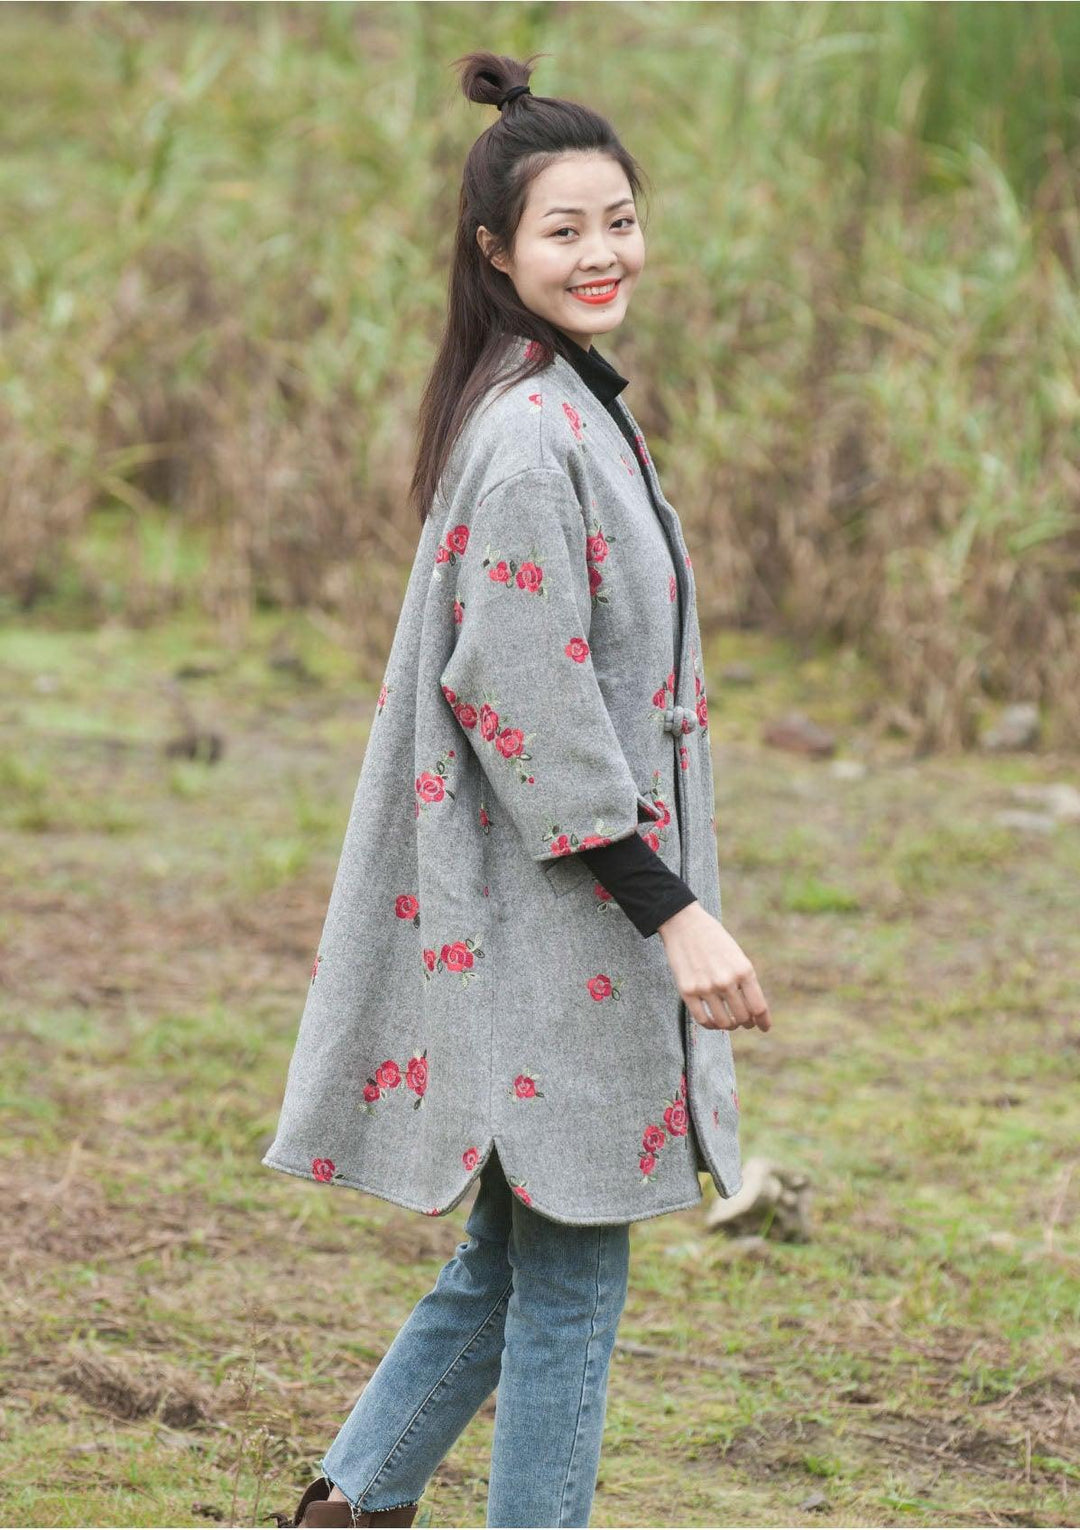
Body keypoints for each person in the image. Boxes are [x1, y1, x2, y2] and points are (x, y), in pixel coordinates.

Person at [264, 48, 771, 1530]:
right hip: (557, 920)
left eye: (621, 220)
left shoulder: (567, 405)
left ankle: (350, 1507)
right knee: (573, 1271)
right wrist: (676, 914)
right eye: (565, 229)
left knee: (520, 1253)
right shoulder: (532, 439)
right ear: (497, 252)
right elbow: (524, 702)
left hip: (559, 920)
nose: (603, 252)